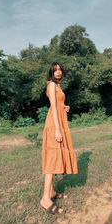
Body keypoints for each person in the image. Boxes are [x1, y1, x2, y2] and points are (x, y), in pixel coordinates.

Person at [40, 62, 78, 215]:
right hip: (54, 125)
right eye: (55, 70)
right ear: (51, 72)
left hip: (60, 122)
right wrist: (56, 129)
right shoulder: (51, 85)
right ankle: (45, 199)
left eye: (60, 70)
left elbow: (58, 105)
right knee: (52, 158)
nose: (58, 72)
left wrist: (65, 107)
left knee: (56, 157)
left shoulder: (57, 86)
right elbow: (53, 107)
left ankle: (52, 192)